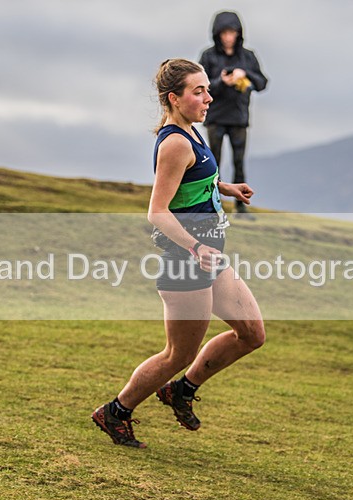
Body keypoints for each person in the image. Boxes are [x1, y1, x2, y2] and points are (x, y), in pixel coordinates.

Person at [91, 59, 266, 448]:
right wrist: (195, 245)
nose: (209, 97)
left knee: (251, 333)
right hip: (186, 260)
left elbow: (196, 178)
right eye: (198, 91)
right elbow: (157, 211)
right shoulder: (174, 143)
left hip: (209, 254)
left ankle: (181, 391)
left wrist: (226, 187)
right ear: (174, 98)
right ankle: (115, 411)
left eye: (207, 88)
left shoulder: (191, 133)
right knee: (176, 354)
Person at [199, 11, 268, 218]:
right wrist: (222, 82)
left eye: (232, 32)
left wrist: (245, 74)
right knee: (213, 162)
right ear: (217, 34)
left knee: (239, 163)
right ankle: (211, 205)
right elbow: (200, 86)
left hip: (239, 119)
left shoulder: (248, 57)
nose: (229, 37)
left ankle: (240, 206)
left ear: (239, 33)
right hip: (215, 118)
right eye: (225, 33)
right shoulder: (208, 56)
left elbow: (262, 83)